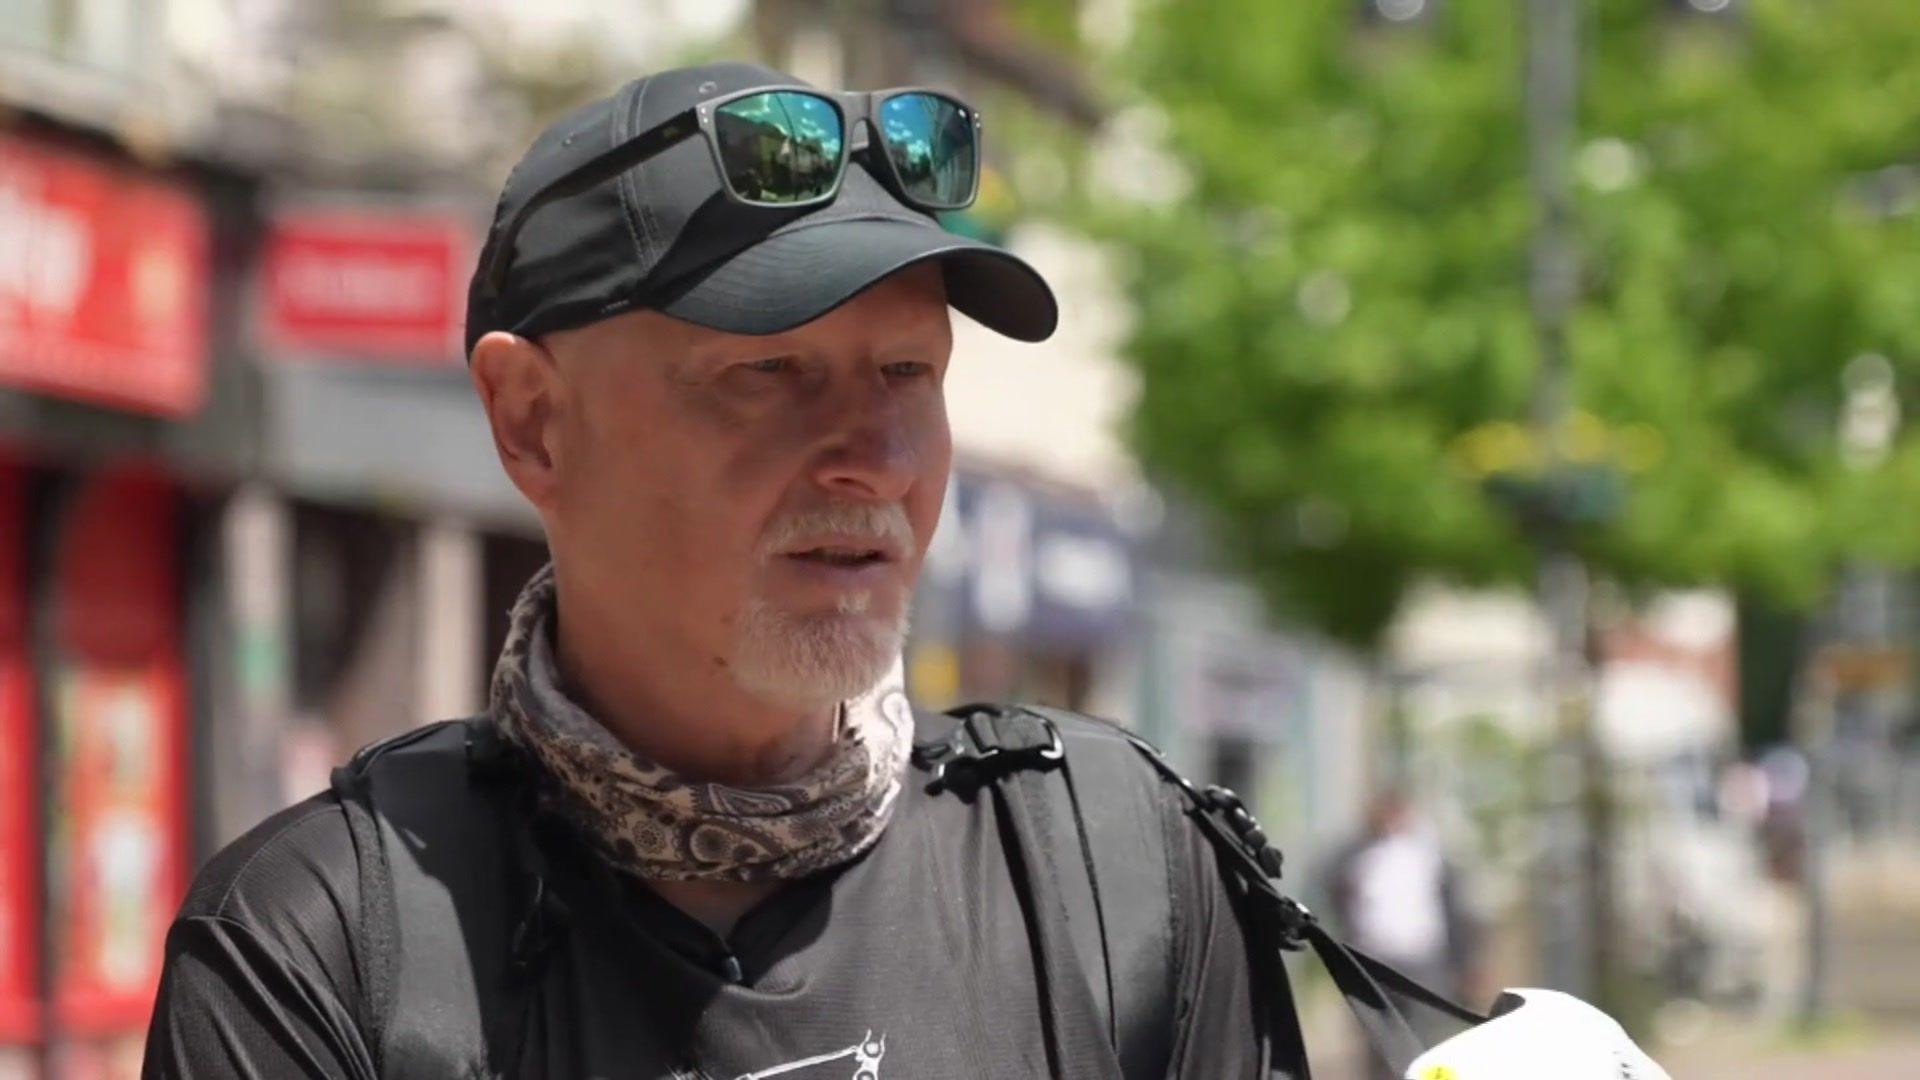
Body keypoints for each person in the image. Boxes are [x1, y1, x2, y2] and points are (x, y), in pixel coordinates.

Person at [142, 61, 1272, 1078]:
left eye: (906, 370)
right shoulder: (316, 953)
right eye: (771, 372)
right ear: (535, 422)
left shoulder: (1115, 873)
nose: (872, 460)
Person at [1329, 790, 1482, 1080]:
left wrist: (1464, 963)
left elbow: (1454, 909)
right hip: (1373, 959)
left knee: (1424, 1039)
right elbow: (1338, 898)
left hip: (1422, 959)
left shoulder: (1430, 855)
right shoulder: (1356, 855)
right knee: (1378, 1040)